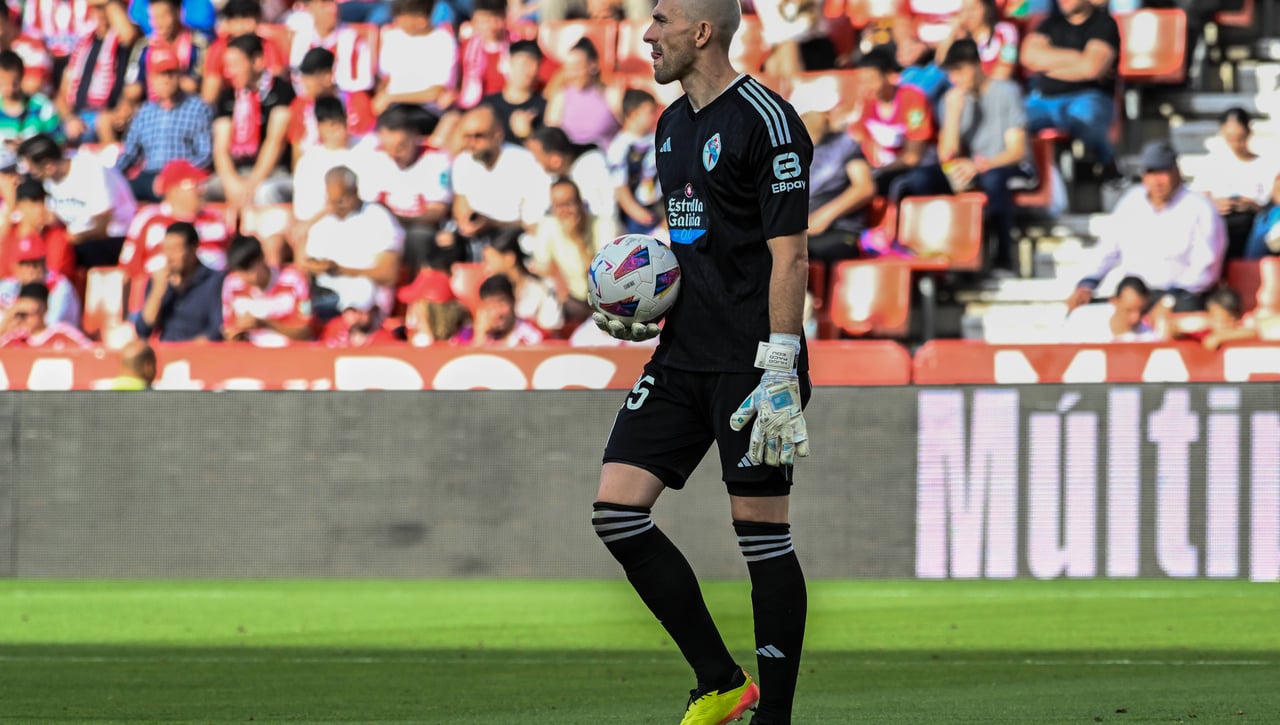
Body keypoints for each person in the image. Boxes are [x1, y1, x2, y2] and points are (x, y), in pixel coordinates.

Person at [591, 0, 813, 722]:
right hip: (681, 354)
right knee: (617, 512)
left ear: (701, 31)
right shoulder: (668, 125)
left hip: (754, 364)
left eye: (659, 21)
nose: (646, 36)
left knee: (760, 533)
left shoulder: (767, 121)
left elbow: (791, 253)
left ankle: (772, 716)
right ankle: (719, 679)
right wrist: (644, 307)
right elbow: (698, 251)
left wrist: (780, 365)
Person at [902, 38, 1029, 274]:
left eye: (960, 71)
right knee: (921, 179)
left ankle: (1003, 258)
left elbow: (1017, 151)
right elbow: (946, 155)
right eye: (952, 73)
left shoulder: (1007, 91)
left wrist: (981, 165)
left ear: (976, 65)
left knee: (994, 181)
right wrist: (952, 114)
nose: (956, 79)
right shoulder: (951, 99)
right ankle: (940, 253)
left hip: (1003, 165)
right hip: (968, 169)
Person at [1066, 140, 1226, 314]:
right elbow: (1107, 249)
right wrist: (1087, 283)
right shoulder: (1131, 202)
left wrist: (1169, 300)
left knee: (1184, 310)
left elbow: (1206, 267)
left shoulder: (1199, 207)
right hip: (1135, 295)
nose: (1157, 181)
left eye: (1162, 172)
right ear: (1143, 176)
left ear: (1176, 171)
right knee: (1083, 312)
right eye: (1151, 173)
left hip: (1182, 296)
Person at [1021, 0, 1120, 175]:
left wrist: (1048, 66)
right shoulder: (1049, 23)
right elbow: (1028, 56)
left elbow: (1091, 69)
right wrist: (1078, 56)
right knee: (1015, 119)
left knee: (1086, 116)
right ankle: (1026, 171)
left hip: (1088, 98)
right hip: (1044, 100)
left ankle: (1107, 167)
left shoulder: (1104, 24)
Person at [18, 133, 138, 269]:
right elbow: (54, 219)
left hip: (114, 239)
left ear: (49, 167)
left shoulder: (91, 170)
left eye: (35, 172)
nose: (34, 177)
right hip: (75, 240)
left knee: (65, 254)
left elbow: (102, 228)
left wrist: (70, 238)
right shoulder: (49, 181)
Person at [356, 103, 451, 272]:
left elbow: (437, 210)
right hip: (381, 226)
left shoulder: (437, 159)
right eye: (388, 148)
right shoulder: (373, 157)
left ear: (415, 136)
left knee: (419, 238)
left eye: (400, 147)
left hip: (417, 227)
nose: (394, 154)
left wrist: (400, 219)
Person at [115, 44, 214, 202]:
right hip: (150, 175)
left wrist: (175, 174)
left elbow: (205, 154)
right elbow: (129, 153)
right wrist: (113, 175)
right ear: (152, 79)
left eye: (170, 74)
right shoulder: (145, 112)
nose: (166, 80)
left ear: (179, 75)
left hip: (183, 176)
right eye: (160, 75)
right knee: (118, 190)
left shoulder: (198, 108)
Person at [303, 165, 403, 318]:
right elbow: (305, 264)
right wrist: (317, 267)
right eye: (331, 201)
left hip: (365, 296)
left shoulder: (377, 216)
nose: (335, 207)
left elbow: (388, 274)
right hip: (327, 292)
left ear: (355, 192)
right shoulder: (322, 223)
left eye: (341, 201)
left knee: (362, 288)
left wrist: (341, 270)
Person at [209, 33, 296, 208]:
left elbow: (275, 142)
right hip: (236, 172)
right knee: (198, 193)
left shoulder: (282, 91)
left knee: (264, 193)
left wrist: (251, 184)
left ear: (257, 62)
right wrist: (232, 183)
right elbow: (220, 148)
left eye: (235, 65)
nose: (229, 72)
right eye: (227, 66)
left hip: (273, 172)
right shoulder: (227, 96)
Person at [119, 159, 232, 275]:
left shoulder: (216, 219)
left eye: (202, 185)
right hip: (165, 288)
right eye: (195, 185)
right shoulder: (148, 219)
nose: (202, 190)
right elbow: (129, 269)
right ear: (173, 190)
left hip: (211, 287)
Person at [1190, 108, 1276, 260]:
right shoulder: (1211, 163)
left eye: (1240, 138)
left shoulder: (1265, 165)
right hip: (1219, 220)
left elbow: (1272, 201)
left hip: (1252, 222)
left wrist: (1253, 206)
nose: (1236, 144)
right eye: (1231, 138)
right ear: (1223, 133)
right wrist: (1214, 204)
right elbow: (1197, 196)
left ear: (1249, 132)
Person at [531, 177, 615, 327]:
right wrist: (558, 280)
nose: (564, 211)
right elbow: (541, 266)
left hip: (605, 297)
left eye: (568, 204)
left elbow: (603, 275)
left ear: (581, 203)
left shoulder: (603, 225)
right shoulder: (548, 226)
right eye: (558, 206)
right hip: (571, 298)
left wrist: (576, 239)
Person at [54, 0, 140, 145]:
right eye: (96, 8)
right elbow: (61, 94)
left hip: (106, 115)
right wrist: (70, 119)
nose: (101, 13)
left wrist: (109, 4)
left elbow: (128, 33)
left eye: (105, 8)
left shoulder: (122, 44)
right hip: (76, 116)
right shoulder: (82, 45)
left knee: (103, 123)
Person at [134, 220, 224, 341]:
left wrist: (188, 350)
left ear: (193, 249)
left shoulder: (215, 281)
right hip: (166, 350)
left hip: (201, 352)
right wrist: (157, 292)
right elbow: (143, 330)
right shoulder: (158, 281)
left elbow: (217, 328)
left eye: (175, 250)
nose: (169, 256)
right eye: (166, 249)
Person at [221, 234, 313, 345]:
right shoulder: (232, 284)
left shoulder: (294, 279)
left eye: (249, 270)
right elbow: (230, 332)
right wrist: (236, 333)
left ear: (262, 258)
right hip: (250, 357)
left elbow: (305, 333)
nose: (245, 278)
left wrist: (266, 324)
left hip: (289, 355)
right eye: (240, 272)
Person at [374, 0, 456, 115]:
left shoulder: (443, 41)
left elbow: (436, 92)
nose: (397, 22)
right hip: (393, 108)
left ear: (421, 21)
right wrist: (380, 97)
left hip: (426, 111)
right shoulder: (393, 37)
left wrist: (392, 97)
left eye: (402, 19)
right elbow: (385, 79)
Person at [201, 0, 287, 104]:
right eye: (242, 20)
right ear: (228, 23)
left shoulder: (267, 45)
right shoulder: (219, 49)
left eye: (254, 19)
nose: (250, 25)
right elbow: (210, 95)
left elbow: (277, 80)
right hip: (230, 105)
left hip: (265, 103)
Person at [482, 226, 563, 333]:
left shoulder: (543, 289)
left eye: (490, 262)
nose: (486, 269)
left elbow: (550, 330)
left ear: (509, 258)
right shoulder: (494, 293)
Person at [526, 125, 616, 221]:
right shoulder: (553, 176)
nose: (536, 162)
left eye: (537, 158)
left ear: (555, 160)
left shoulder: (591, 167)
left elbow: (607, 213)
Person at [543, 37, 621, 149]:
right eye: (568, 69)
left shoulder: (611, 94)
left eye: (577, 68)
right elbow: (550, 137)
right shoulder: (561, 96)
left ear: (593, 65)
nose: (572, 74)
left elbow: (632, 129)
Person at [287, 0, 374, 94]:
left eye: (335, 3)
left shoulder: (354, 40)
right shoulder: (301, 37)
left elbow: (365, 83)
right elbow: (296, 77)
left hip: (344, 101)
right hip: (308, 99)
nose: (333, 9)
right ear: (311, 6)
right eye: (325, 3)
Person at [606, 88, 662, 235]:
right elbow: (620, 186)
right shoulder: (620, 146)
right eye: (650, 112)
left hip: (660, 208)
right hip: (638, 216)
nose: (655, 116)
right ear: (633, 113)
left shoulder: (658, 138)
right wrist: (637, 212)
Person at [933, 0, 1020, 81]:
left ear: (987, 8)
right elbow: (941, 64)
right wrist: (952, 34)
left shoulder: (1006, 31)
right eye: (964, 10)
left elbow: (1006, 69)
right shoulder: (961, 38)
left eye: (973, 9)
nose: (968, 15)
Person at [480, 39, 546, 145]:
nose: (530, 70)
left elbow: (546, 157)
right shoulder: (488, 105)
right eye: (525, 63)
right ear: (509, 63)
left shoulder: (543, 107)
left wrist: (526, 134)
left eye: (535, 65)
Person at [450, 273, 544, 346]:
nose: (496, 313)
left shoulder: (532, 335)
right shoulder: (466, 335)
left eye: (501, 304)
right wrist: (480, 336)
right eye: (490, 306)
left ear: (513, 301)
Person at [1060, 274, 1160, 342]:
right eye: (1129, 310)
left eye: (1142, 311)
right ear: (1114, 301)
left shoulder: (1149, 337)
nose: (1136, 318)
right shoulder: (1082, 320)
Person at [0, 280, 92, 347]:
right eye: (20, 314)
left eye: (29, 313)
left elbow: (93, 352)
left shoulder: (61, 333)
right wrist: (8, 319)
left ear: (44, 309)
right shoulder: (16, 339)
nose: (24, 319)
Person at [396, 264, 469, 345]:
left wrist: (425, 326)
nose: (410, 309)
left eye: (412, 304)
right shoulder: (466, 339)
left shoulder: (405, 344)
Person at [0, 50, 60, 146]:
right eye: (3, 82)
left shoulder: (42, 106)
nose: (9, 88)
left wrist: (30, 148)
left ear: (22, 77)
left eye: (14, 82)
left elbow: (59, 141)